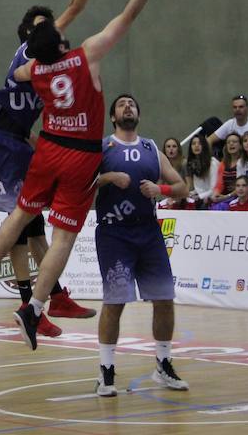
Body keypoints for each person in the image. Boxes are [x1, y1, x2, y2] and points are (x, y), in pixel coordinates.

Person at [0, 0, 172, 351]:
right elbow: (128, 16)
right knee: (62, 239)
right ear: (60, 42)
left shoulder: (32, 68)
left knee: (22, 213)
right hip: (79, 154)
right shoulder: (86, 55)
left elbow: (20, 73)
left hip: (47, 149)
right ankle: (34, 307)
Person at [0, 0, 119, 330]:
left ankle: (48, 299)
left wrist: (47, 141)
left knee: (32, 224)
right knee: (22, 220)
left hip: (22, 142)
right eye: (46, 25)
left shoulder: (41, 67)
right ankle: (17, 293)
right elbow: (74, 6)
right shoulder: (33, 54)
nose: (56, 27)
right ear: (31, 34)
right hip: (4, 141)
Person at [93, 94, 189, 396]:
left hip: (148, 232)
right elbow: (81, 182)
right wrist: (109, 177)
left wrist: (159, 189)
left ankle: (163, 364)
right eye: (121, 104)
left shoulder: (151, 148)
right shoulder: (104, 147)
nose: (128, 107)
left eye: (132, 104)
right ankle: (105, 372)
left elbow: (182, 187)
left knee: (164, 299)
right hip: (114, 234)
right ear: (112, 117)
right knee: (115, 302)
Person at [185, 134, 219, 209]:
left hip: (212, 198)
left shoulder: (212, 163)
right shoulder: (192, 163)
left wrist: (199, 197)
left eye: (199, 143)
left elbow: (213, 189)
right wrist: (190, 194)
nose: (196, 146)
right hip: (199, 197)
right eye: (194, 144)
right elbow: (198, 189)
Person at [209, 133, 243, 208]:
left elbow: (242, 186)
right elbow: (219, 184)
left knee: (221, 207)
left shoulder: (243, 163)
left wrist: (226, 196)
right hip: (224, 196)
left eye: (234, 142)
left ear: (240, 146)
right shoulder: (223, 164)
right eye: (228, 142)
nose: (231, 144)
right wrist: (216, 194)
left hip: (238, 196)